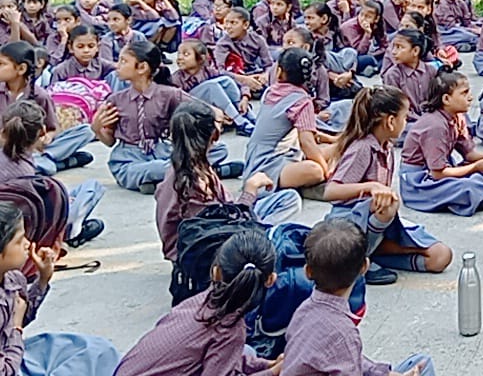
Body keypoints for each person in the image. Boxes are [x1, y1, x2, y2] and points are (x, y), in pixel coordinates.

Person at [323, 86, 452, 285]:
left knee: (440, 256)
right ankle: (356, 263)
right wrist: (370, 187)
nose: (407, 122)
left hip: (376, 228)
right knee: (388, 205)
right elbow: (331, 191)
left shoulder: (387, 148)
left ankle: (369, 254)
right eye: (405, 117)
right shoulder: (363, 148)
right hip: (347, 226)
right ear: (391, 121)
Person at [279, 220, 435, 375]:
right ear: (364, 267)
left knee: (418, 363)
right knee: (424, 366)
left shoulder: (302, 312)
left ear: (308, 271)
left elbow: (345, 358)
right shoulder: (344, 332)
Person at [156, 100, 302, 265]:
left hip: (216, 228)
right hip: (203, 250)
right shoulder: (192, 180)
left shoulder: (188, 165)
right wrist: (249, 192)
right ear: (215, 135)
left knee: (288, 198)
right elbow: (220, 227)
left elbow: (223, 211)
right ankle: (260, 246)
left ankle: (262, 239)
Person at [115, 232, 281, 376]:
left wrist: (265, 365)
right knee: (245, 350)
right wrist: (272, 373)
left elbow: (225, 357)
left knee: (247, 351)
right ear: (271, 279)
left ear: (216, 272)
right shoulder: (229, 329)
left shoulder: (200, 302)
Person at [91, 40, 238, 193]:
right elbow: (110, 142)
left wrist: (215, 121)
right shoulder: (116, 100)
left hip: (164, 152)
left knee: (219, 150)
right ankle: (200, 173)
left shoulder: (169, 94)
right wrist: (96, 128)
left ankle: (164, 180)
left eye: (123, 61)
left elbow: (207, 110)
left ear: (142, 67)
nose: (118, 65)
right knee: (150, 169)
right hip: (130, 159)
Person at [0, 202, 120, 375]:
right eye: (19, 241)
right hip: (9, 364)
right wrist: (16, 329)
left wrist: (43, 279)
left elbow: (21, 311)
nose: (28, 244)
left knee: (98, 350)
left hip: (15, 352)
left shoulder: (12, 279)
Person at [399, 70, 483, 216]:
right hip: (421, 182)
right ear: (446, 99)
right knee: (465, 186)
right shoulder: (435, 126)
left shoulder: (458, 117)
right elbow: (438, 173)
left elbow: (469, 154)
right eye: (464, 93)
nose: (470, 98)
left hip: (443, 171)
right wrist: (474, 168)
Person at [0, 101, 104, 248]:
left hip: (13, 224)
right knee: (92, 187)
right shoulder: (28, 176)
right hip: (24, 230)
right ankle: (69, 232)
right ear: (43, 132)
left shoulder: (23, 169)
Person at [0, 42, 97, 175]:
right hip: (4, 148)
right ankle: (56, 163)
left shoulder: (40, 96)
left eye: (1, 64)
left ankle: (43, 160)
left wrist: (46, 138)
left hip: (32, 148)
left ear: (21, 69)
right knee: (47, 168)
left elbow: (52, 128)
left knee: (86, 131)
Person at [244, 48, 332, 191]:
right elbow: (307, 143)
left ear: (279, 71)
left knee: (331, 150)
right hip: (268, 163)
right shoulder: (301, 101)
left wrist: (332, 140)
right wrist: (326, 173)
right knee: (315, 170)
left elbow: (308, 136)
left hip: (258, 156)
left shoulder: (270, 91)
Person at [173, 39, 254, 137]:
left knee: (227, 80)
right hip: (195, 112)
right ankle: (240, 122)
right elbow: (179, 102)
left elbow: (237, 82)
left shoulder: (209, 71)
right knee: (211, 87)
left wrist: (245, 97)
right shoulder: (177, 78)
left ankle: (247, 115)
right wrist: (214, 112)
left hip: (219, 110)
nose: (180, 58)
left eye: (186, 54)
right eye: (179, 54)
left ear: (201, 58)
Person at [382, 29, 436, 123]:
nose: (394, 52)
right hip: (406, 121)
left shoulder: (431, 71)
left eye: (399, 47)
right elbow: (396, 107)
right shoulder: (393, 75)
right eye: (394, 47)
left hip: (429, 117)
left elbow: (436, 99)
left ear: (415, 51)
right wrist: (420, 120)